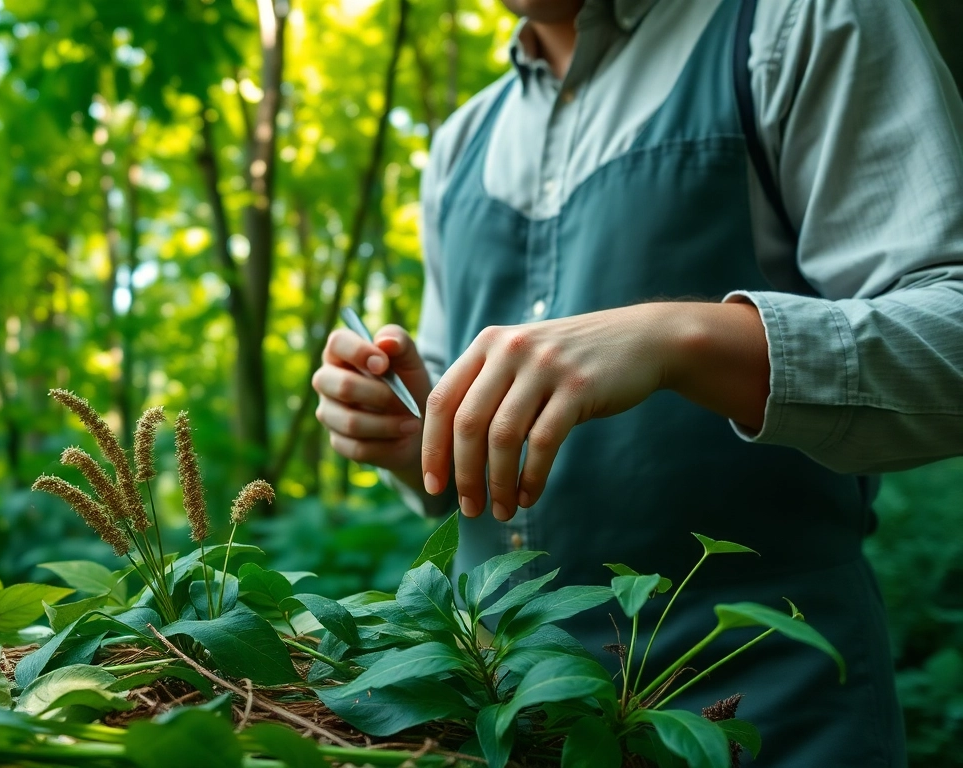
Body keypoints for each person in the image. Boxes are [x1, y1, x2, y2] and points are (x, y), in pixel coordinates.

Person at [311, 0, 963, 764]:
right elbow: (469, 454)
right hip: (493, 721)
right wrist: (413, 438)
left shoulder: (801, 23)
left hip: (770, 718)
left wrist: (676, 338)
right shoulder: (460, 143)